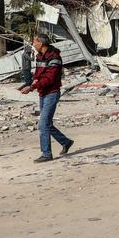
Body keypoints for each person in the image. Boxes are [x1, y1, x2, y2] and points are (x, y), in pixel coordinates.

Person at [19, 33, 74, 162]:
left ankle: (46, 154)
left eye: (34, 41)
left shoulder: (55, 57)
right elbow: (38, 74)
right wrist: (30, 83)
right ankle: (65, 142)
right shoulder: (39, 56)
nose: (33, 44)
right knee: (47, 124)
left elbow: (49, 79)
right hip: (43, 93)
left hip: (52, 93)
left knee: (42, 125)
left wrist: (32, 87)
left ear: (41, 43)